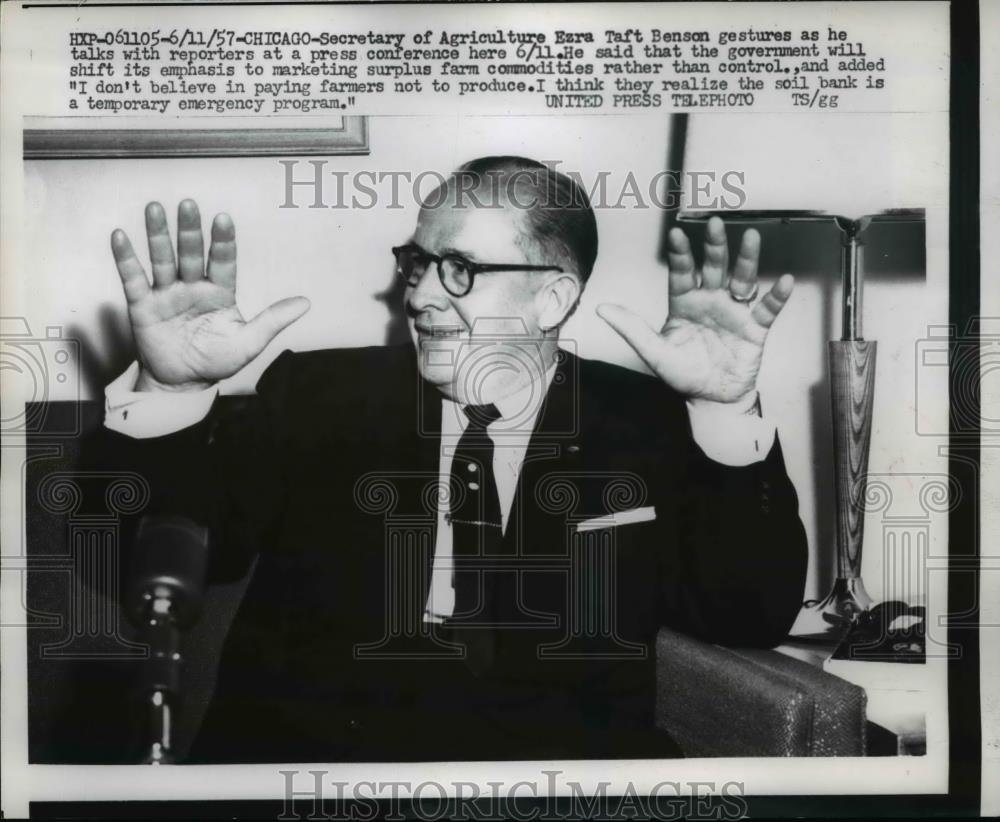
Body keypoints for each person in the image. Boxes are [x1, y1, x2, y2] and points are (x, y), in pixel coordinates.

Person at [94, 156, 807, 762]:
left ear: (552, 298)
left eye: (461, 268)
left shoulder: (643, 420)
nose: (422, 294)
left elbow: (748, 614)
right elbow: (140, 564)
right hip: (318, 777)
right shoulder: (318, 397)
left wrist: (721, 409)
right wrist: (171, 392)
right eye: (419, 262)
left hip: (555, 788)